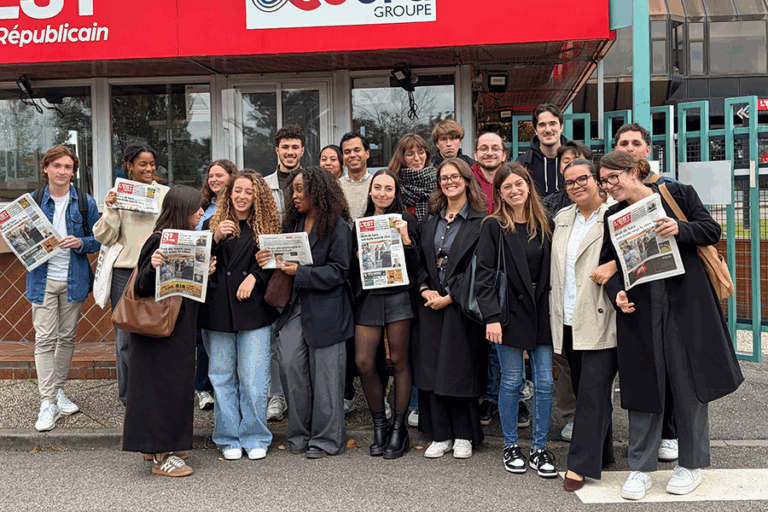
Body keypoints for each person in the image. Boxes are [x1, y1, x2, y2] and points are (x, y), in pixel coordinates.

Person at [596, 150, 744, 500]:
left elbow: (711, 229)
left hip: (687, 305)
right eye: (603, 181)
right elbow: (608, 264)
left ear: (633, 171)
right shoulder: (614, 215)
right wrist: (616, 293)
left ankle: (690, 465)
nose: (608, 186)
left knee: (689, 384)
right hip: (641, 310)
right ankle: (640, 469)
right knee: (644, 386)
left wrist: (680, 228)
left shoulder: (678, 195)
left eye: (612, 178)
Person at [258, 167, 354, 458]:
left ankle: (326, 440)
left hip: (327, 310)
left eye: (300, 190)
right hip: (294, 308)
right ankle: (300, 434)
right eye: (293, 191)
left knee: (327, 379)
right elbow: (283, 262)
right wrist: (267, 258)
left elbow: (339, 271)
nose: (295, 196)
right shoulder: (293, 224)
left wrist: (301, 272)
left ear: (318, 192)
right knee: (291, 368)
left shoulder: (338, 226)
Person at [122, 185, 213, 477]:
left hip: (178, 326)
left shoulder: (190, 240)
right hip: (159, 329)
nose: (201, 212)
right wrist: (153, 266)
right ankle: (163, 456)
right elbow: (141, 287)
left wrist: (204, 273)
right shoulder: (158, 239)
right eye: (196, 208)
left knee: (173, 388)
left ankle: (160, 446)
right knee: (163, 390)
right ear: (181, 210)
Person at [475, 162, 556, 478]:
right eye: (506, 186)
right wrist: (491, 317)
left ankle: (539, 448)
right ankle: (511, 445)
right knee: (511, 381)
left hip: (542, 307)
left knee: (545, 382)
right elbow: (483, 276)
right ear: (500, 193)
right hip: (507, 311)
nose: (514, 190)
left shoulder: (545, 223)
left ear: (528, 185)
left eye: (519, 184)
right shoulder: (493, 226)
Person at [200, 170, 281, 461]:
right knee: (221, 377)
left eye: (248, 191)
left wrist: (256, 278)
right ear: (228, 193)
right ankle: (227, 437)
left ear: (257, 195)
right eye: (237, 191)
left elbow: (279, 262)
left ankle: (255, 435)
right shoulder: (213, 225)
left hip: (254, 311)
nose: (242, 196)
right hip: (218, 311)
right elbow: (195, 259)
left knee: (254, 377)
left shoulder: (269, 226)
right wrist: (213, 237)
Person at [612, 122, 679, 462]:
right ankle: (647, 445)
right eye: (623, 143)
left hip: (675, 294)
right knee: (645, 369)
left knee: (673, 367)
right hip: (638, 296)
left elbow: (709, 229)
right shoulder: (614, 203)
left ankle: (671, 432)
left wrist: (680, 228)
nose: (629, 148)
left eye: (635, 143)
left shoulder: (671, 189)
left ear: (647, 151)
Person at [549, 159, 617, 491]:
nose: (577, 186)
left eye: (582, 179)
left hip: (603, 315)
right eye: (569, 182)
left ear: (597, 180)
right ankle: (602, 452)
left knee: (591, 392)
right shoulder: (562, 219)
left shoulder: (617, 214)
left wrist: (614, 266)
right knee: (587, 389)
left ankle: (578, 464)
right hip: (568, 318)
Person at [413, 158, 487, 460]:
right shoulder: (431, 221)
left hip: (461, 308)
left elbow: (481, 269)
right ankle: (440, 434)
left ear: (467, 180)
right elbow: (419, 261)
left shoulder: (482, 222)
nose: (449, 181)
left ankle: (464, 435)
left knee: (459, 372)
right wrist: (423, 288)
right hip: (431, 306)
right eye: (444, 178)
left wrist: (451, 297)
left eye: (455, 176)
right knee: (431, 372)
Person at [27, 146, 100, 432]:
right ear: (45, 168)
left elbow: (98, 239)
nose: (62, 171)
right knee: (44, 339)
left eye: (68, 167)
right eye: (56, 165)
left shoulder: (85, 202)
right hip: (42, 279)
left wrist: (80, 243)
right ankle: (48, 402)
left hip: (74, 277)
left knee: (67, 338)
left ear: (74, 171)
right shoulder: (32, 201)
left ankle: (56, 390)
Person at [94, 144, 170, 406]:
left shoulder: (165, 194)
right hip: (124, 273)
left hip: (157, 269)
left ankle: (154, 389)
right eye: (142, 164)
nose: (148, 169)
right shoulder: (117, 195)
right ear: (129, 165)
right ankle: (129, 395)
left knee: (157, 330)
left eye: (152, 164)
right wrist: (112, 208)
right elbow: (104, 237)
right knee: (124, 335)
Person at [352, 169, 420, 459]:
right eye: (377, 188)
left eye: (388, 189)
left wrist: (406, 240)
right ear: (370, 191)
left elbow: (418, 266)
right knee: (364, 362)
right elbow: (349, 271)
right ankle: (380, 423)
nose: (382, 193)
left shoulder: (408, 221)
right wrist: (357, 258)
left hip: (398, 296)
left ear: (396, 193)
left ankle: (398, 428)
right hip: (369, 298)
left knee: (401, 361)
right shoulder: (359, 224)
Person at [263, 126, 304, 422]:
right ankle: (276, 396)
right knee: (273, 337)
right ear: (277, 150)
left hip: (305, 271)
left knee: (303, 338)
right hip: (273, 271)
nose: (290, 152)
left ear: (303, 150)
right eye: (285, 147)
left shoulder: (312, 182)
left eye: (295, 147)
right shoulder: (263, 186)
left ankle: (302, 396)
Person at [338, 132, 377, 415]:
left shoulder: (378, 184)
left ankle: (378, 393)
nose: (352, 155)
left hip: (374, 265)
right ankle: (347, 391)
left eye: (356, 150)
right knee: (348, 332)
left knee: (374, 329)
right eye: (346, 151)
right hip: (344, 267)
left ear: (367, 153)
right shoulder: (335, 187)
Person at [194, 159, 237, 411]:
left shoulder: (239, 205)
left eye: (219, 175)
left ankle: (227, 389)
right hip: (204, 275)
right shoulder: (202, 207)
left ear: (232, 177)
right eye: (211, 176)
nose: (214, 180)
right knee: (203, 339)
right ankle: (203, 389)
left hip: (228, 278)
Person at [517, 104, 569, 197]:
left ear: (561, 127)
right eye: (542, 125)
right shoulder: (523, 164)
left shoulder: (576, 159)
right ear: (536, 130)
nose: (548, 130)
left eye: (552, 123)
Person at [387, 133, 435, 222]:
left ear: (427, 155)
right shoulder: (392, 184)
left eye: (421, 152)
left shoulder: (440, 182)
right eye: (410, 154)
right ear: (401, 158)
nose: (417, 158)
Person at [542, 141, 594, 217]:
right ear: (560, 169)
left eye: (577, 160)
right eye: (566, 161)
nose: (571, 165)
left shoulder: (607, 197)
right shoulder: (550, 203)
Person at [472, 132, 508, 215]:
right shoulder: (467, 179)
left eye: (495, 149)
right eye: (484, 149)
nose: (489, 153)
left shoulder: (513, 178)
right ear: (475, 155)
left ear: (504, 155)